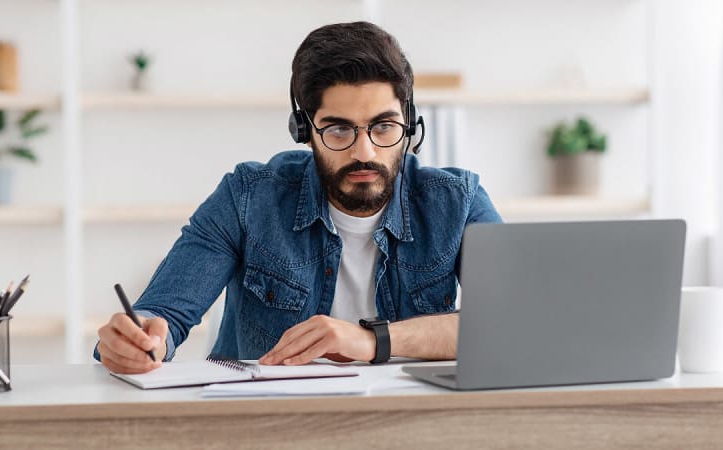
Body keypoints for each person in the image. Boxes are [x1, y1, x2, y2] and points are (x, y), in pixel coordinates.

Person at [95, 21, 502, 374]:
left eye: (383, 127)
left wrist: (370, 340)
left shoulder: (458, 201)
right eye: (339, 130)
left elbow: (516, 322)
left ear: (410, 124)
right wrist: (138, 339)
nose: (365, 152)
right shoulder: (248, 196)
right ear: (303, 130)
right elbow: (163, 314)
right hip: (271, 426)